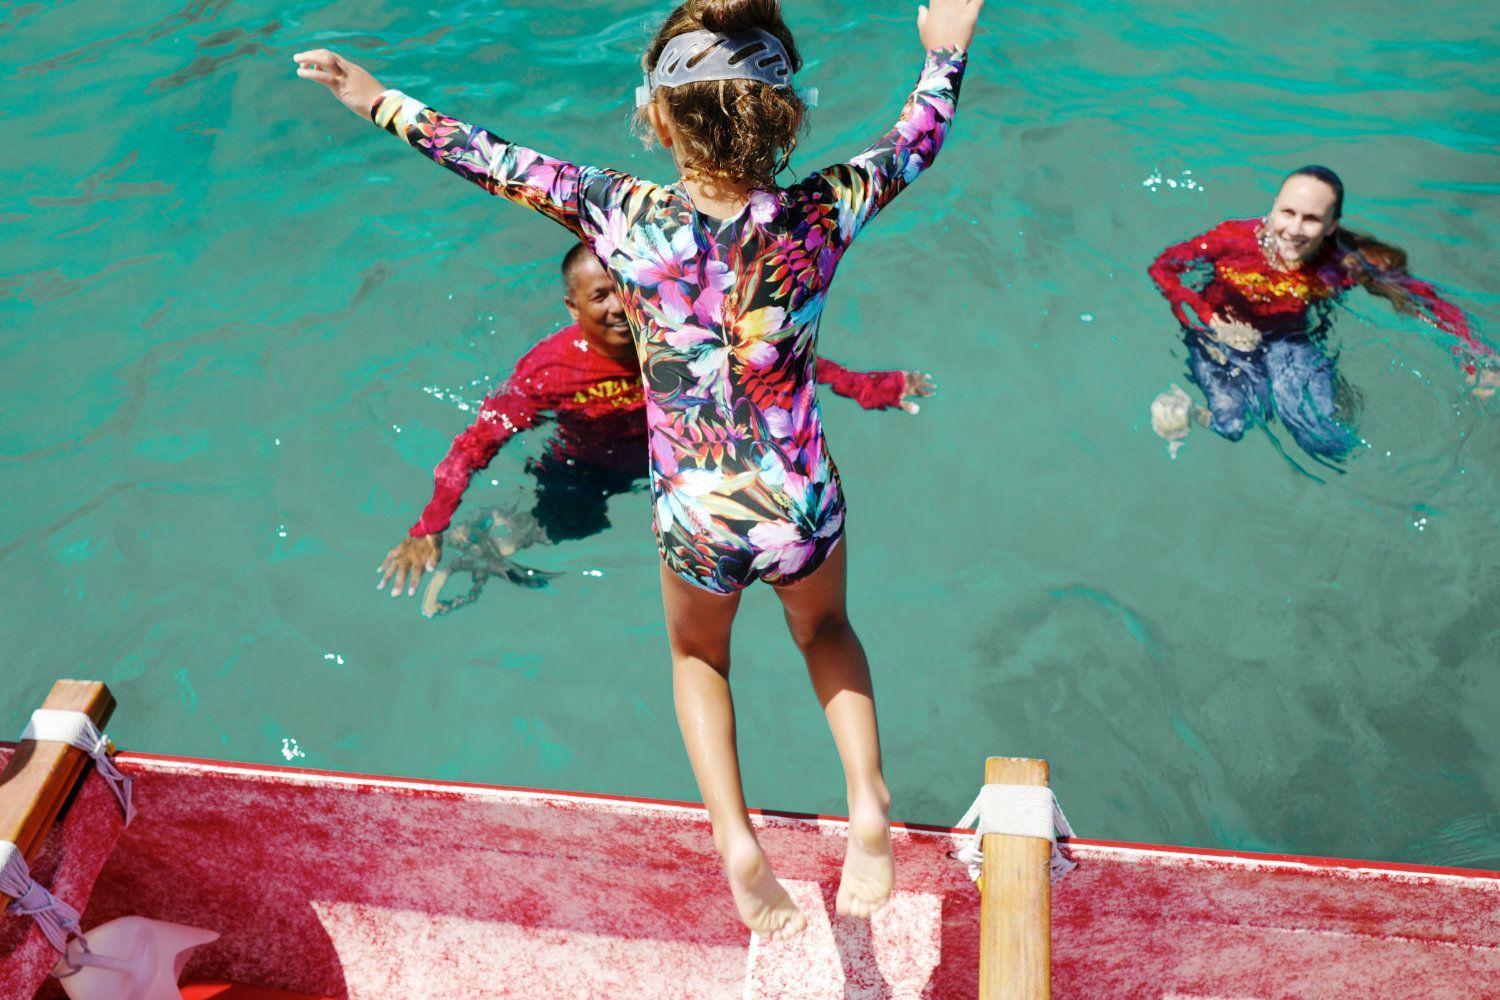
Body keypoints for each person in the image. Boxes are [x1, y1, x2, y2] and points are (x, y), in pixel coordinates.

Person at [295, 0, 981, 939]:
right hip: (800, 497)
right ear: (784, 113)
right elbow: (917, 140)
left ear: (659, 119)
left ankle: (737, 841)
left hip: (699, 513)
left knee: (700, 658)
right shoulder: (825, 207)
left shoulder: (617, 212)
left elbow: (489, 157)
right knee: (826, 631)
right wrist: (944, 53)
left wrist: (378, 100)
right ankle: (867, 799)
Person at [374, 245, 937, 610]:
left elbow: (774, 361)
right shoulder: (548, 371)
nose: (617, 307)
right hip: (586, 469)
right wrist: (429, 525)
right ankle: (476, 545)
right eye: (598, 297)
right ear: (573, 307)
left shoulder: (680, 335)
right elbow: (478, 442)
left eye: (622, 290)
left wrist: (866, 387)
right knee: (572, 525)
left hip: (679, 457)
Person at [1148, 165, 1493, 463]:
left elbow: (1422, 299)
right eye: (1287, 213)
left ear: (1331, 225)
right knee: (1233, 425)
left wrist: (1475, 356)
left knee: (1324, 441)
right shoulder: (1232, 238)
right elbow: (1163, 268)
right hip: (1218, 340)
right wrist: (1211, 318)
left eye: (1311, 219)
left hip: (1290, 343)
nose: (1294, 229)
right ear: (1274, 207)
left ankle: (1335, 394)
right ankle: (1187, 407)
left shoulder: (1342, 264)